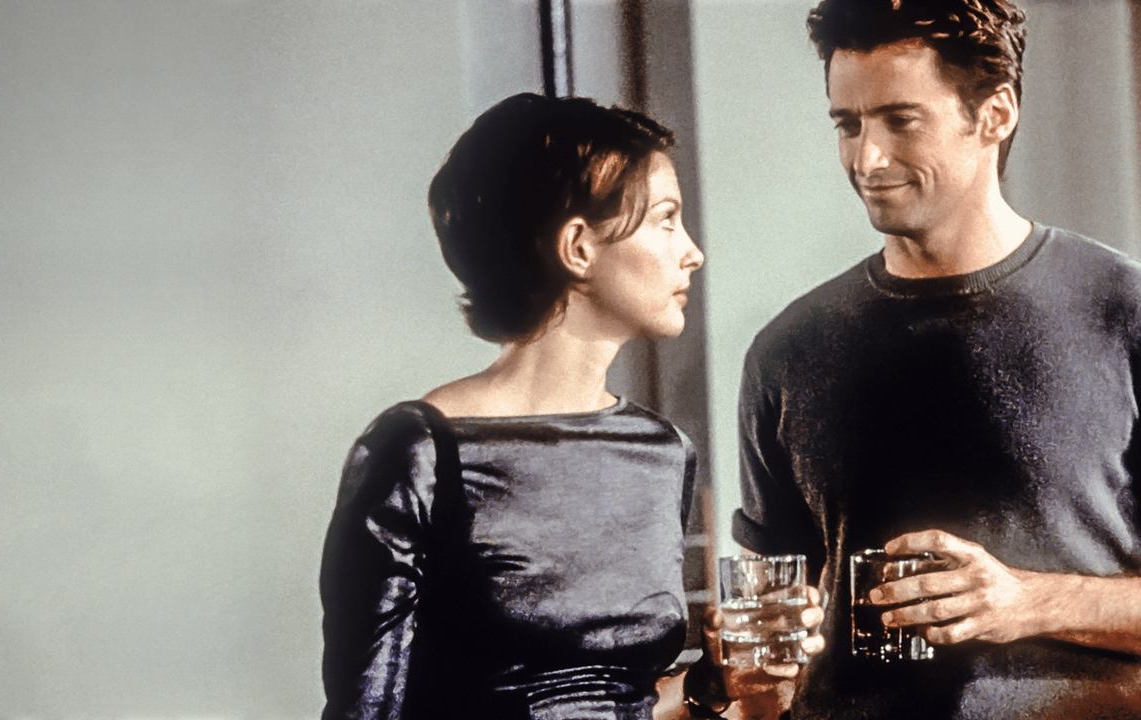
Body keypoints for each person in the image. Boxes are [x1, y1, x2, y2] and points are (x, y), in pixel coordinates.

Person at [319, 92, 822, 720]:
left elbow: (625, 702)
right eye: (666, 219)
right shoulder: (422, 451)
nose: (692, 251)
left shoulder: (661, 451)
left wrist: (714, 683)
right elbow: (365, 709)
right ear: (578, 247)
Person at [732, 0, 1141, 717]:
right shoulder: (787, 350)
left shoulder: (1123, 311)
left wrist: (1027, 601)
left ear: (995, 114)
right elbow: (767, 646)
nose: (866, 159)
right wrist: (751, 669)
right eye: (848, 125)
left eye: (900, 120)